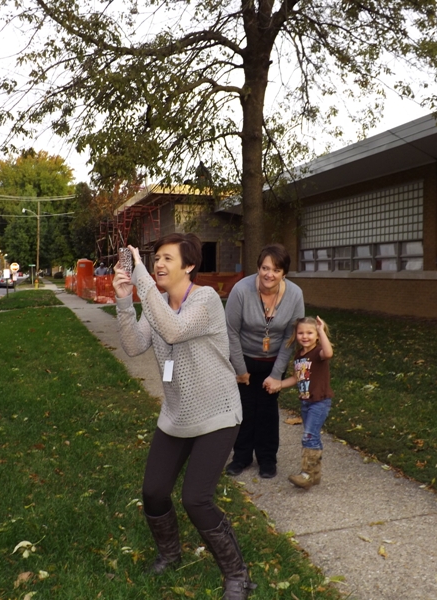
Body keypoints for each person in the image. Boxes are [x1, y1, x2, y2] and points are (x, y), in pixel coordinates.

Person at [112, 233, 256, 599]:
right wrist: (124, 300)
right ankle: (170, 554)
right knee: (154, 492)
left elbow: (174, 329)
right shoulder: (159, 302)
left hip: (217, 413)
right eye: (156, 258)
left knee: (196, 499)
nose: (158, 264)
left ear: (189, 266)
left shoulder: (206, 300)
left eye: (167, 259)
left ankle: (238, 576)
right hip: (177, 414)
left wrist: (141, 277)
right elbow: (133, 345)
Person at [224, 244, 304, 479]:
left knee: (267, 411)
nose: (270, 274)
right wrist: (240, 370)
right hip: (244, 358)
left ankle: (267, 459)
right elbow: (231, 332)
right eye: (265, 268)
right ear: (258, 268)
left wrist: (277, 375)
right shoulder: (241, 290)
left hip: (274, 360)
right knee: (245, 409)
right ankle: (241, 457)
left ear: (284, 273)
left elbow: (291, 337)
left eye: (276, 270)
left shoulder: (295, 295)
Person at [268, 316, 334, 489]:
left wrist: (321, 331)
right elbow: (297, 378)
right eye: (301, 333)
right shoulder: (299, 355)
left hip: (319, 401)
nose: (305, 336)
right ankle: (315, 474)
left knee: (309, 436)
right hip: (306, 402)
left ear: (317, 336)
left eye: (310, 333)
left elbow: (328, 353)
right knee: (312, 435)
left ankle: (307, 474)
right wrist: (279, 384)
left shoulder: (318, 352)